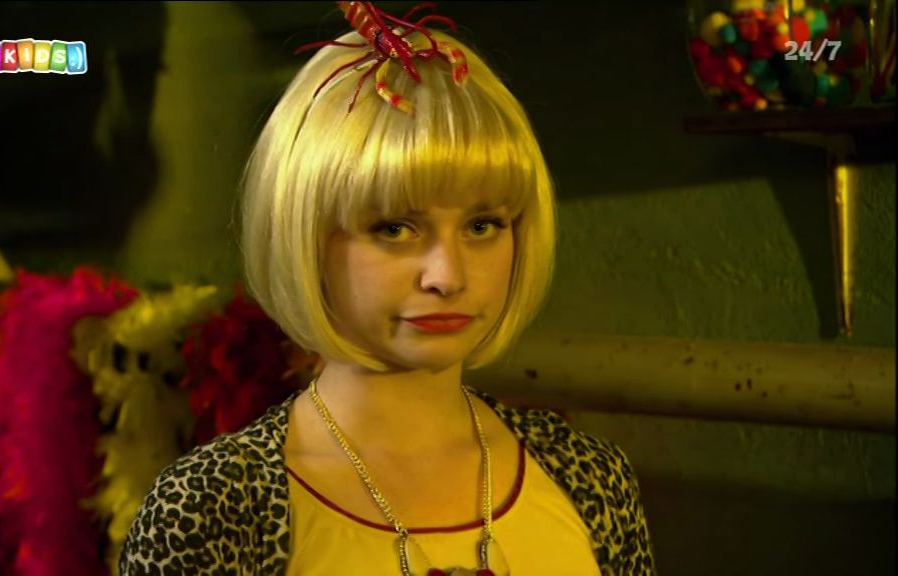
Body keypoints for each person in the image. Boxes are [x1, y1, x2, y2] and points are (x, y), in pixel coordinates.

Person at [120, 11, 655, 576]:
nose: (447, 276)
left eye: (482, 226)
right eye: (395, 229)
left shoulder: (588, 476)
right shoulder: (217, 507)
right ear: (303, 236)